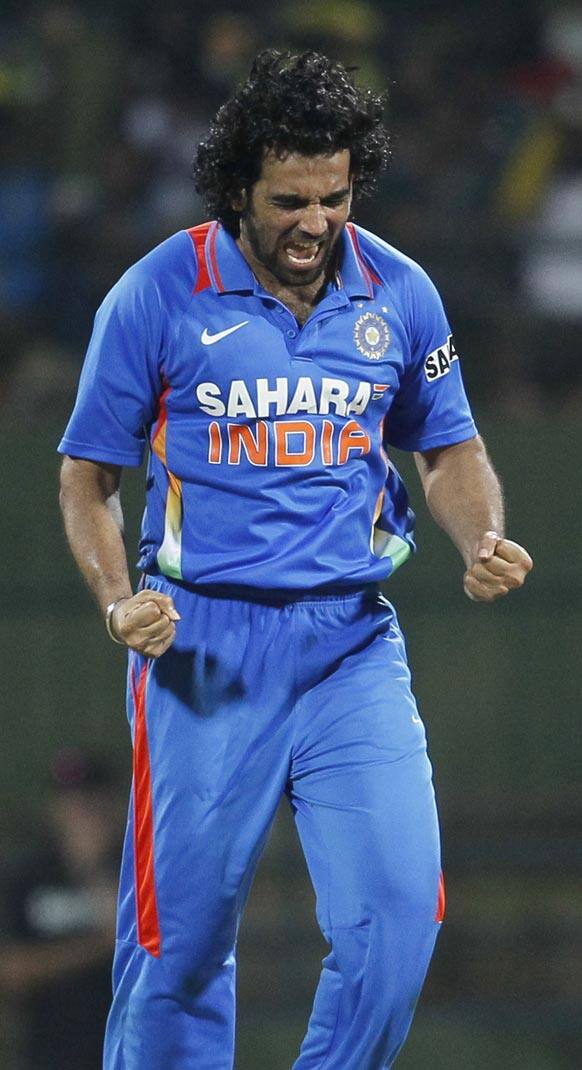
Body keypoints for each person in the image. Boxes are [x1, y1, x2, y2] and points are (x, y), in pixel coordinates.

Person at [58, 49, 532, 1070]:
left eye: (336, 196)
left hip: (351, 646)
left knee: (398, 925)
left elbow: (449, 446)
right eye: (289, 200)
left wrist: (479, 532)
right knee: (176, 953)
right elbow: (85, 476)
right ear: (236, 188)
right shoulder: (155, 295)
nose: (316, 221)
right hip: (202, 649)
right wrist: (115, 599)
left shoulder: (401, 291)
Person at [0, 750, 120, 1070]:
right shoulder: (27, 876)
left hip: (124, 1052)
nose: (81, 812)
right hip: (46, 1053)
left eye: (91, 801)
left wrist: (92, 872)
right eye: (71, 801)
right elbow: (12, 971)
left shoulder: (136, 872)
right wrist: (98, 945)